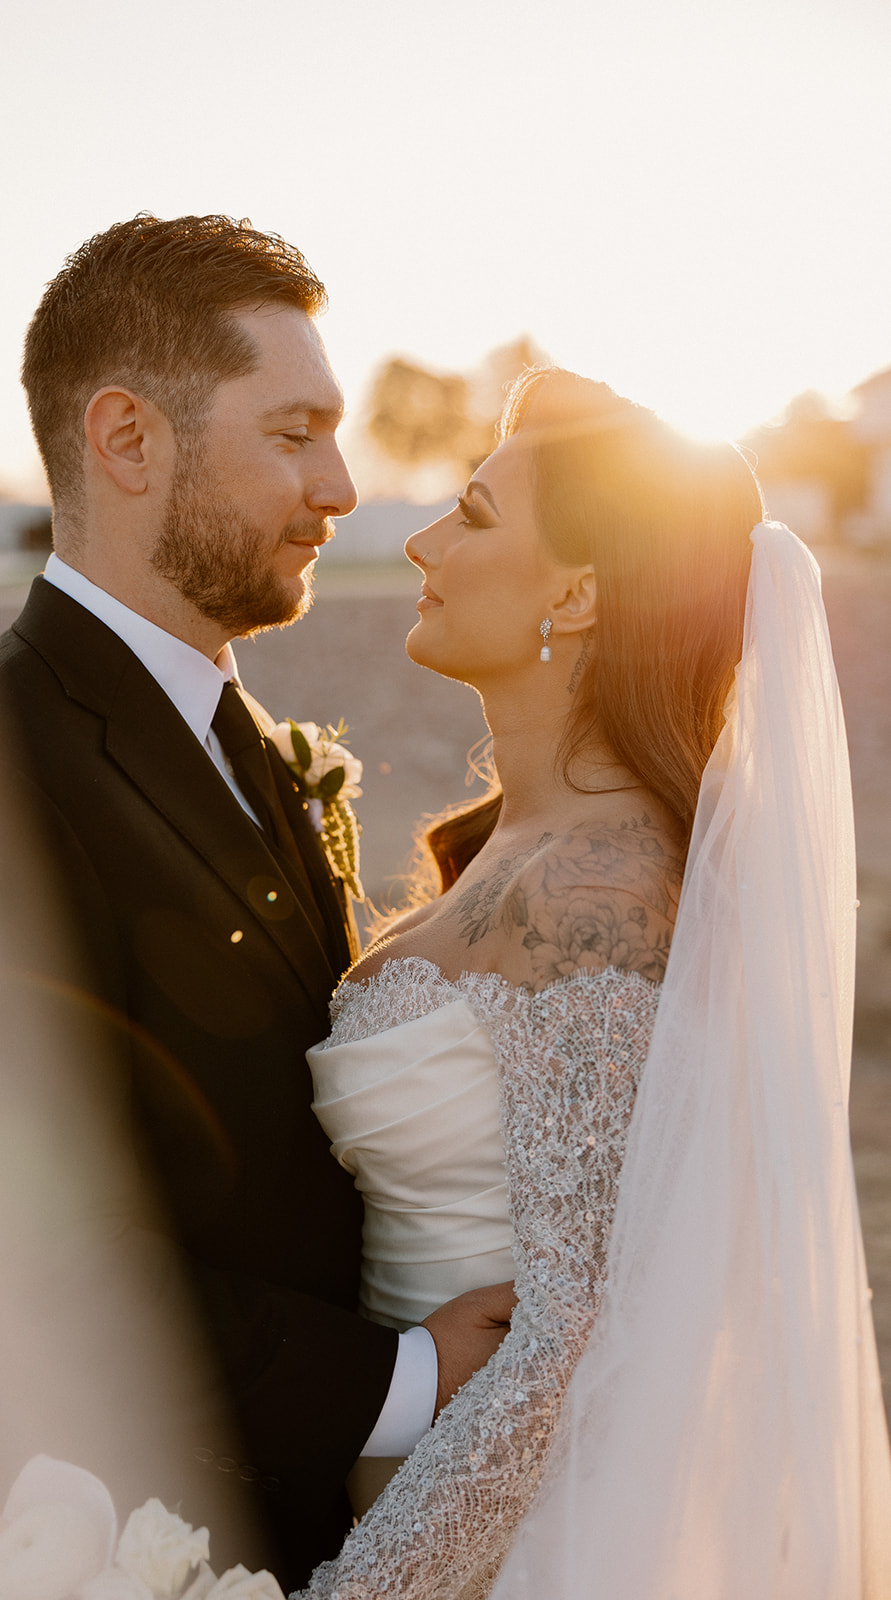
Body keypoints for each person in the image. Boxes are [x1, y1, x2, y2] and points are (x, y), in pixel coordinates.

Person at [0, 214, 512, 1598]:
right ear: (128, 439)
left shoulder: (241, 735)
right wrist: (407, 1376)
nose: (336, 483)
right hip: (86, 1530)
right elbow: (36, 1262)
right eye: (292, 432)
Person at [293, 368, 891, 1598]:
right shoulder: (516, 851)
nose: (418, 538)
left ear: (575, 589)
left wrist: (356, 1591)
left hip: (505, 1550)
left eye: (469, 512)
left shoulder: (600, 899)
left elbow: (566, 1342)